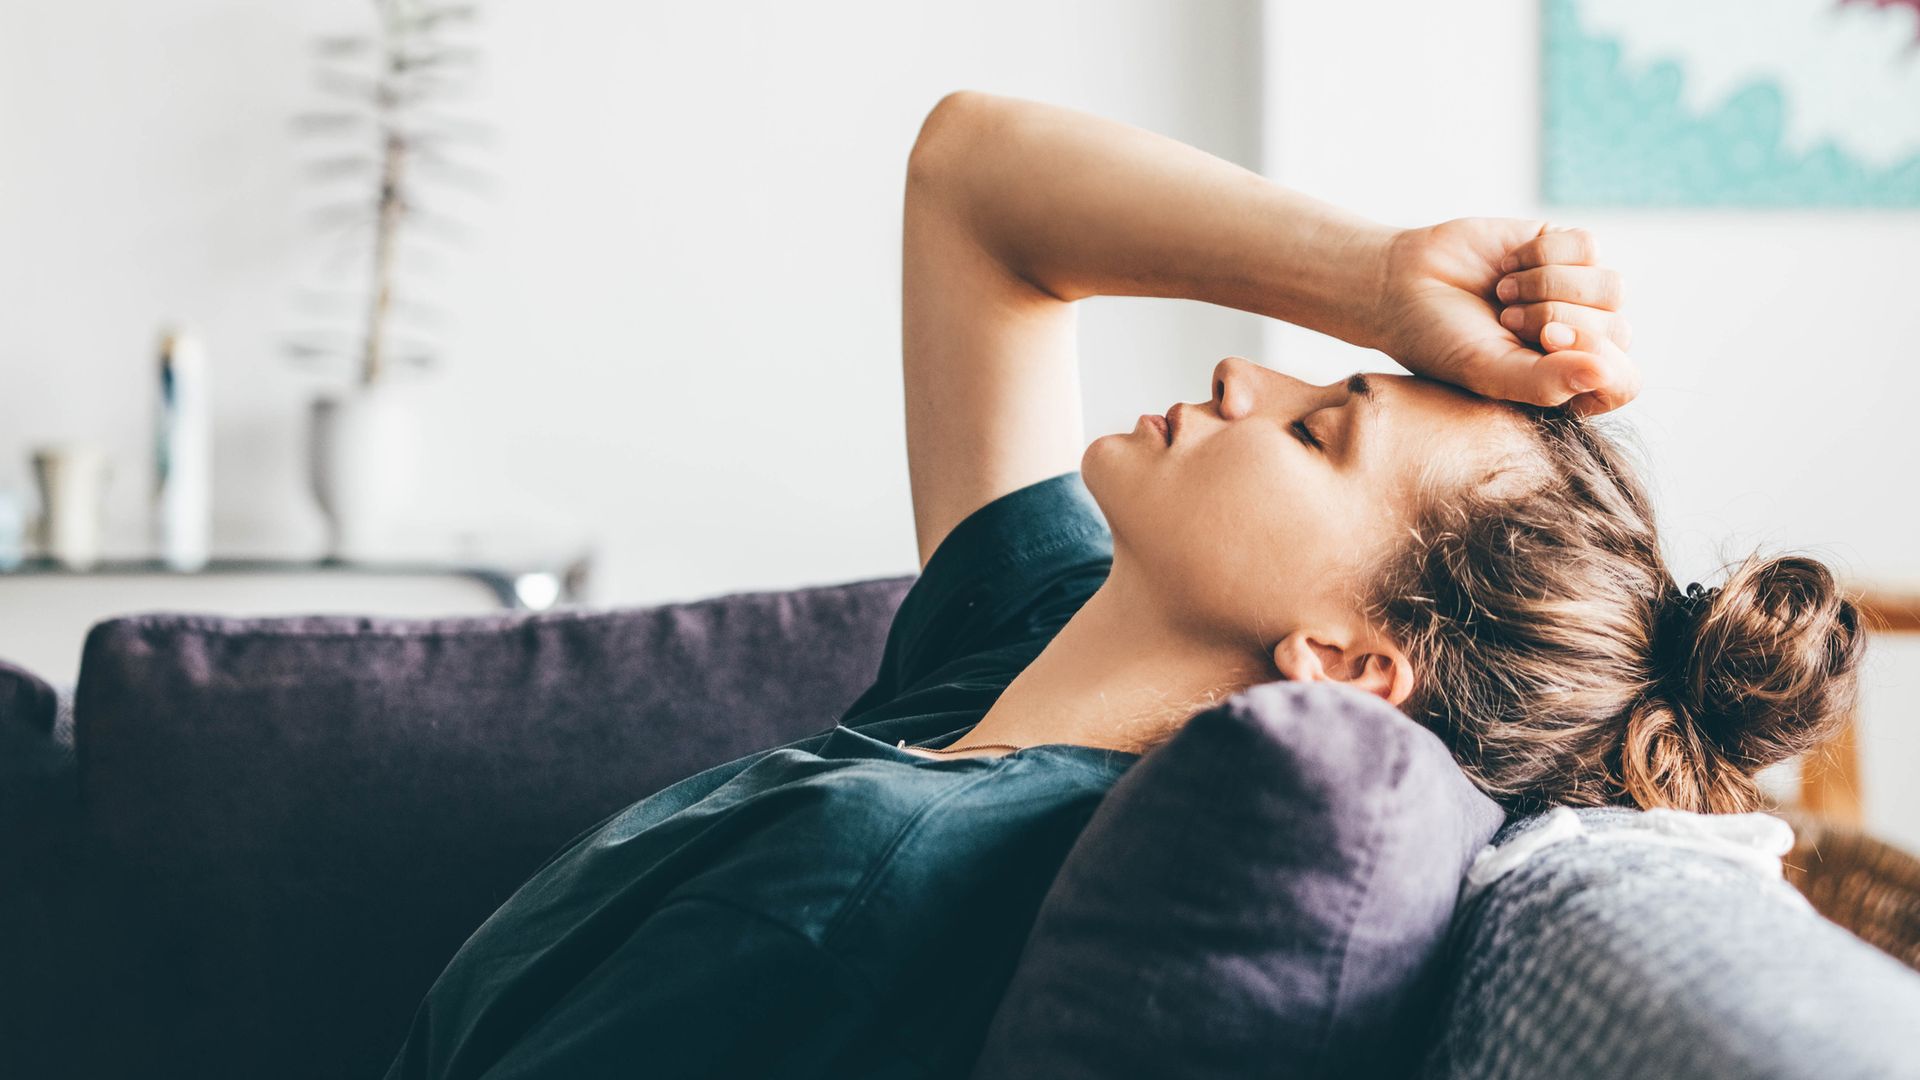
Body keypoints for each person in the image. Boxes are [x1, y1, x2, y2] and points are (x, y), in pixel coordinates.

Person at [384, 92, 1864, 1078]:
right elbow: (974, 177)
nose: (1244, 372)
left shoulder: (873, 877)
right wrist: (1381, 277)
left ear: (1349, 660)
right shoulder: (1029, 653)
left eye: (1318, 431)